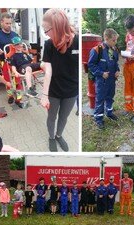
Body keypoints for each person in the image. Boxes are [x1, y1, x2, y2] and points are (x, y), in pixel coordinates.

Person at [41, 9, 78, 152]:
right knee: (52, 116)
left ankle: (59, 135)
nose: (46, 34)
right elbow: (48, 71)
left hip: (71, 92)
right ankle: (51, 137)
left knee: (64, 117)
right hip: (54, 91)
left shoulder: (77, 42)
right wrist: (44, 95)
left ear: (56, 28)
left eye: (46, 30)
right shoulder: (49, 44)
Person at [88, 28, 120, 129]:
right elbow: (91, 64)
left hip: (111, 80)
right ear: (106, 38)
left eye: (116, 40)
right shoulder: (97, 50)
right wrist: (101, 73)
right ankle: (98, 118)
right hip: (102, 80)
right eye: (113, 40)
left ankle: (109, 112)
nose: (115, 42)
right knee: (100, 99)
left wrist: (117, 70)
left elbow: (116, 62)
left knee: (110, 96)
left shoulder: (115, 50)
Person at [0, 13, 19, 103]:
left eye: (10, 23)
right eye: (7, 23)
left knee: (17, 80)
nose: (9, 25)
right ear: (1, 23)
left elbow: (19, 46)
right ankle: (10, 96)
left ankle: (18, 98)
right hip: (4, 62)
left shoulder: (15, 34)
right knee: (8, 80)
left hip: (16, 61)